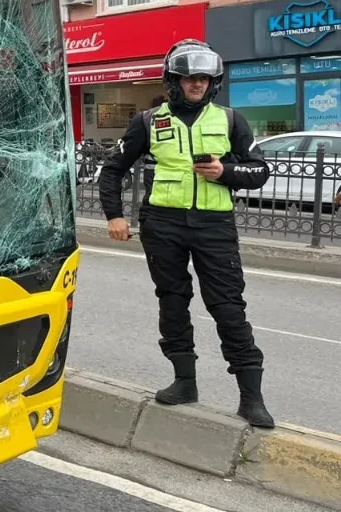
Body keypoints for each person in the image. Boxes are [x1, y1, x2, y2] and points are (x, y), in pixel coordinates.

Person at [98, 39, 275, 428]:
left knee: (227, 307)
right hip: (163, 224)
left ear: (213, 83)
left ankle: (251, 396)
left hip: (215, 227)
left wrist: (225, 173)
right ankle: (184, 381)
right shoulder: (148, 121)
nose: (195, 84)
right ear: (173, 81)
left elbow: (260, 171)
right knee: (173, 301)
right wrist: (114, 215)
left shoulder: (231, 121)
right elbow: (113, 169)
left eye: (203, 78)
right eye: (187, 78)